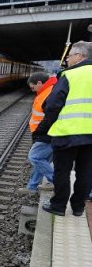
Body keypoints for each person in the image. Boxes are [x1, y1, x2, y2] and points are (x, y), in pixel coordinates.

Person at [40, 41, 92, 217]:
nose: (68, 59)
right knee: (86, 172)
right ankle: (78, 208)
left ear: (80, 56)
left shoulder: (70, 75)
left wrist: (45, 126)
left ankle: (59, 206)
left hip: (67, 132)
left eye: (69, 56)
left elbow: (53, 104)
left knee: (62, 171)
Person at [17, 72, 57, 196]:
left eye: (33, 87)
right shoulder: (47, 91)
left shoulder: (50, 93)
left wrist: (39, 132)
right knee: (42, 160)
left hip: (47, 134)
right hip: (48, 132)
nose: (32, 90)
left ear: (39, 83)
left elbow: (51, 117)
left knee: (35, 157)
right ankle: (32, 187)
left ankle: (57, 182)